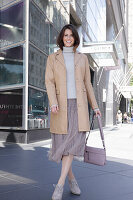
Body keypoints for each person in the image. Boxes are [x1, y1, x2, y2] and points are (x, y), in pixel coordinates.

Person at [45, 24, 101, 200]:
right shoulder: (52, 58)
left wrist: (95, 106)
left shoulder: (82, 59)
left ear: (75, 38)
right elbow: (49, 82)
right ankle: (72, 179)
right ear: (61, 38)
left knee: (71, 144)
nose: (68, 38)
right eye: (65, 35)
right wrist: (53, 102)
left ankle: (60, 185)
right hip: (60, 107)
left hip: (79, 106)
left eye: (71, 35)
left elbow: (87, 84)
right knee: (63, 146)